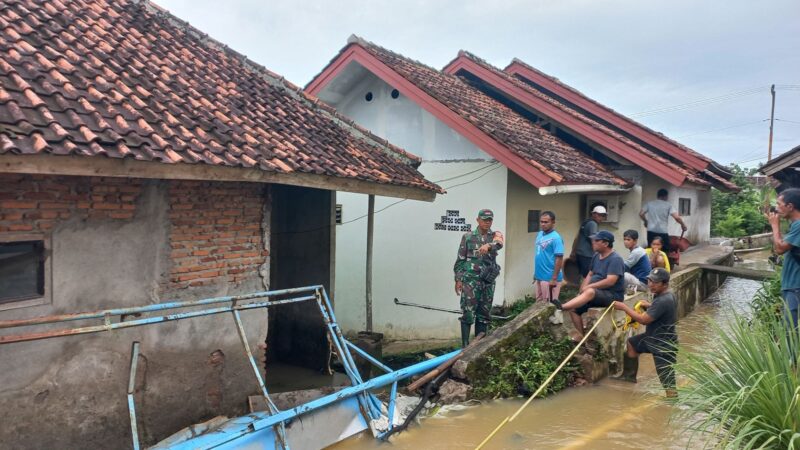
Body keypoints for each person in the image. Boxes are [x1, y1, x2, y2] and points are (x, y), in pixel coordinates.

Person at [611, 267, 678, 398]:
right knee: (632, 343)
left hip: (663, 345)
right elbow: (658, 310)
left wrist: (624, 307)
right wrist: (648, 305)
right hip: (652, 338)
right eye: (649, 281)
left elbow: (643, 320)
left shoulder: (663, 300)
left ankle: (672, 403)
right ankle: (629, 377)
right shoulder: (667, 295)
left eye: (655, 282)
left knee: (667, 379)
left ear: (665, 284)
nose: (651, 285)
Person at [555, 230, 625, 339]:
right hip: (596, 294)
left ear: (606, 244)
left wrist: (589, 287)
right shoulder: (596, 256)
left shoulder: (615, 259)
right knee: (574, 310)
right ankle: (583, 338)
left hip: (612, 295)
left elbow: (610, 281)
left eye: (597, 240)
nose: (593, 242)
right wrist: (582, 289)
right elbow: (590, 274)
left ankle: (562, 307)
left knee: (590, 291)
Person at [454, 209, 504, 347]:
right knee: (468, 312)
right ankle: (465, 346)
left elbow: (499, 243)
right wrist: (458, 279)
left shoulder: (495, 235)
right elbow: (460, 259)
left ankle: (479, 346)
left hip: (487, 281)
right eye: (484, 219)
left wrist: (489, 245)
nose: (487, 222)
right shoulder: (468, 237)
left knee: (484, 314)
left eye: (490, 220)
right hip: (471, 281)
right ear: (478, 220)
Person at [767, 188, 800, 357]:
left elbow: (779, 248)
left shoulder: (799, 225)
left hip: (795, 286)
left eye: (779, 204)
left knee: (791, 333)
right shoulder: (795, 226)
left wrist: (774, 225)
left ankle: (792, 374)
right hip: (792, 285)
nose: (776, 208)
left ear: (790, 206)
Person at [534, 211, 565, 324]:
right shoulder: (540, 234)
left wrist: (554, 278)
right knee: (538, 304)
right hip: (540, 276)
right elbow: (539, 254)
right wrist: (536, 274)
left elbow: (559, 258)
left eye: (546, 222)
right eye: (541, 222)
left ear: (553, 222)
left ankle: (555, 329)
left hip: (550, 278)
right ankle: (541, 328)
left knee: (550, 305)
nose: (543, 224)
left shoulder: (556, 238)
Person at [639, 188, 687, 255]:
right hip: (662, 232)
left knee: (651, 249)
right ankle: (664, 263)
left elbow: (641, 214)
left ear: (658, 196)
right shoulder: (668, 205)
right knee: (665, 250)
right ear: (665, 196)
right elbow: (677, 217)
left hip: (650, 231)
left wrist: (645, 221)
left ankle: (651, 264)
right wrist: (683, 225)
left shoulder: (649, 204)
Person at [571, 205, 607, 278]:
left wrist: (573, 251)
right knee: (588, 277)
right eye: (599, 215)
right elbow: (594, 240)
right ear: (593, 214)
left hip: (580, 253)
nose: (601, 218)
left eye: (603, 216)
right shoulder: (593, 224)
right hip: (587, 255)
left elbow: (577, 237)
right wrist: (598, 254)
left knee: (581, 276)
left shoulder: (586, 222)